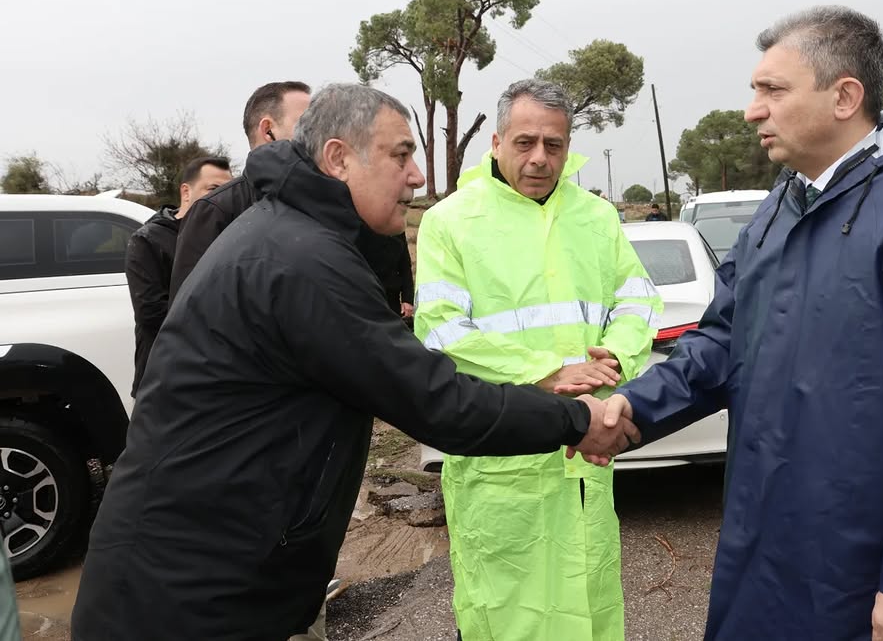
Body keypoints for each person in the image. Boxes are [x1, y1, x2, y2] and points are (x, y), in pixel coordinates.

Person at [70, 84, 638, 641]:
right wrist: (577, 421)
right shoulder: (300, 262)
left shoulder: (293, 236)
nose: (417, 176)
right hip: (188, 595)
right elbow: (436, 400)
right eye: (401, 155)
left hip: (210, 574)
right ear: (339, 158)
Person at [592, 6, 883, 641]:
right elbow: (726, 338)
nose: (752, 110)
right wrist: (631, 410)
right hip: (768, 547)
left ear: (844, 96)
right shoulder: (782, 205)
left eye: (772, 90)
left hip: (871, 573)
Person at [413, 78, 662, 640]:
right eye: (525, 142)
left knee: (590, 604)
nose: (540, 158)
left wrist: (615, 356)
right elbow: (443, 331)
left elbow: (637, 297)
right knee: (506, 615)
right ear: (497, 141)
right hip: (499, 463)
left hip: (584, 459)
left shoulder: (596, 218)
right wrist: (545, 373)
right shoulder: (451, 221)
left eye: (554, 144)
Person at [169, 80, 311, 302]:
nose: (318, 136)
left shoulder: (324, 202)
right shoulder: (214, 211)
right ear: (268, 130)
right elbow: (190, 311)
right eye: (307, 126)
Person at [125, 156, 231, 395]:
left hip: (217, 377)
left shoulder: (228, 236)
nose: (221, 198)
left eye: (227, 191)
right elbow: (151, 313)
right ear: (186, 192)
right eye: (213, 189)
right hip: (164, 378)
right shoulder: (148, 240)